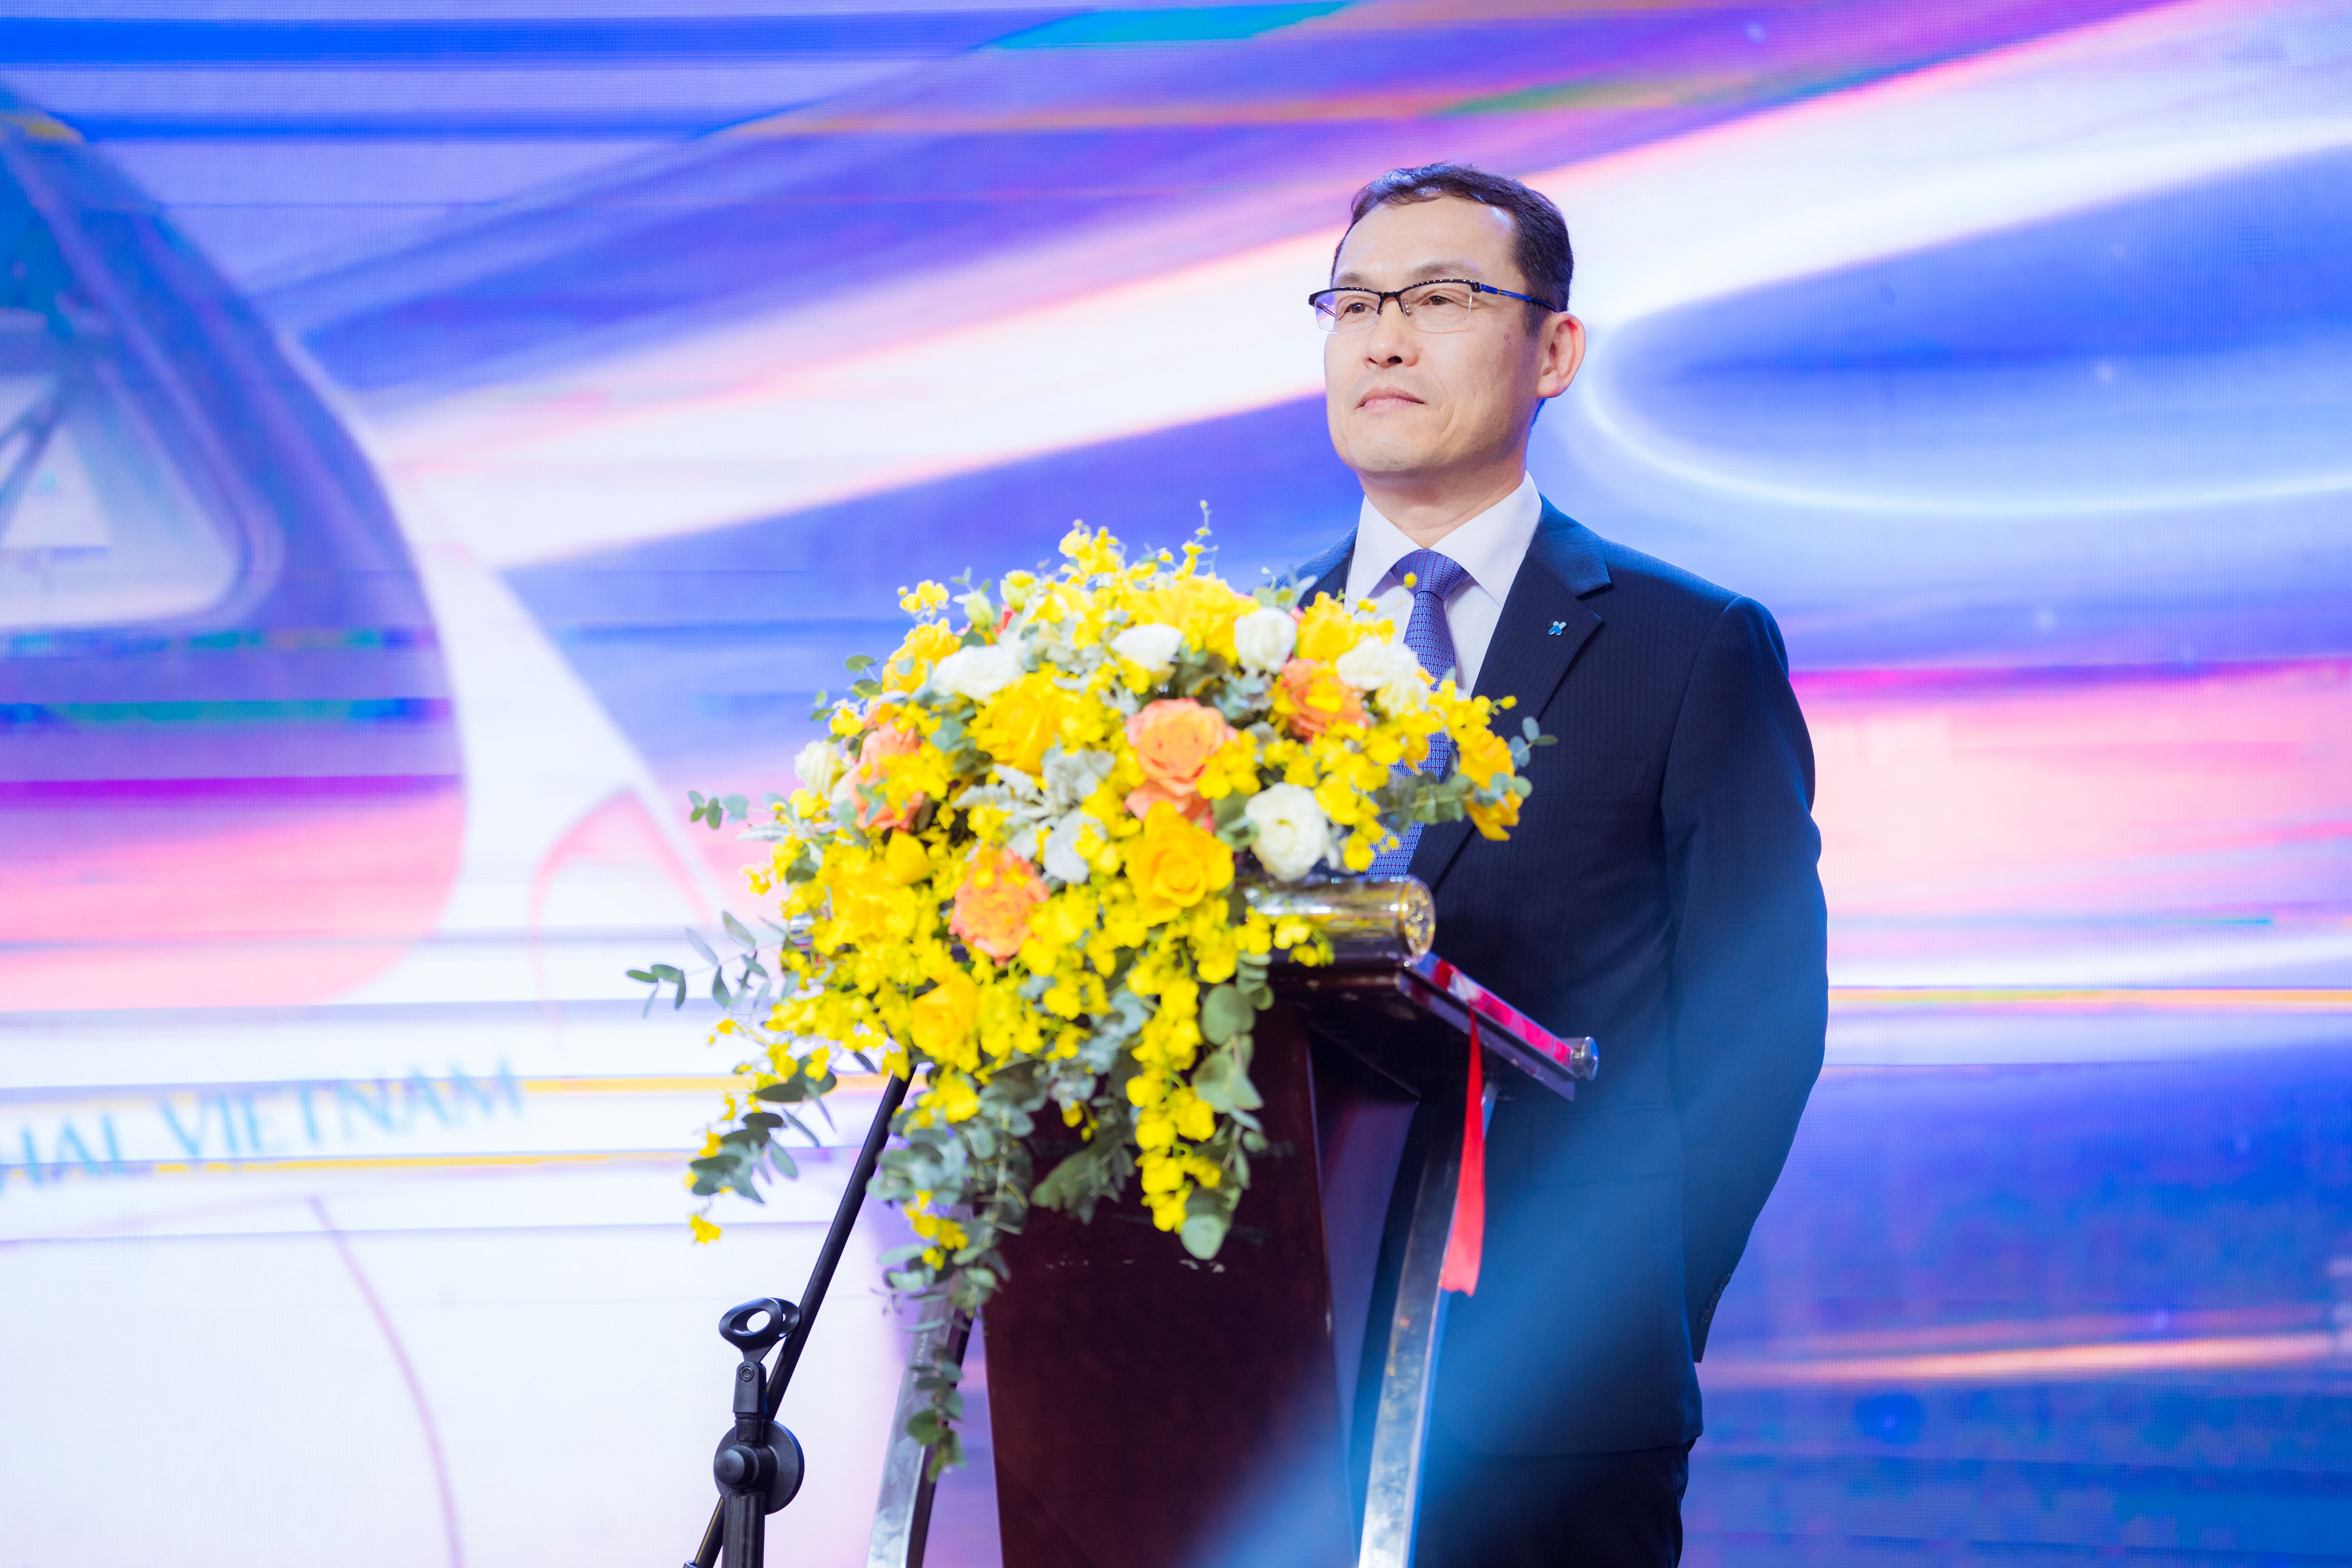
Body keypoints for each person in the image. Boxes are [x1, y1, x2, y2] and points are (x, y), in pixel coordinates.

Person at [1291, 163, 1827, 1566]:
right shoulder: (1221, 654)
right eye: (1354, 304)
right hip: (1257, 1388)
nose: (1385, 340)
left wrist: (1627, 1298)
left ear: (1556, 351)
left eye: (1440, 299)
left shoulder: (1685, 647)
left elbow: (1760, 1029)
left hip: (1553, 1402)